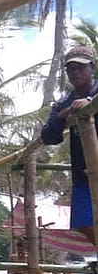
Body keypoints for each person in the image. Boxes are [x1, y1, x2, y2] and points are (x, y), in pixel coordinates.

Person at [41, 45, 98, 245]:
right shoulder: (64, 101)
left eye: (81, 68)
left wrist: (89, 102)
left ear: (92, 67)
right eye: (71, 69)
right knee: (82, 222)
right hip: (83, 173)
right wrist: (63, 115)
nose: (76, 73)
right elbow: (48, 136)